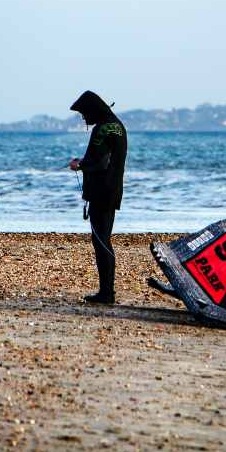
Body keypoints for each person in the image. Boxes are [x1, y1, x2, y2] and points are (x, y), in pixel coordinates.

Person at [69, 91, 128, 304]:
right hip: (113, 191)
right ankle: (107, 291)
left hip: (100, 192)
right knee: (104, 238)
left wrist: (79, 164)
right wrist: (86, 161)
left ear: (93, 110)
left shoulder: (101, 129)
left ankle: (107, 293)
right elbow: (106, 157)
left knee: (101, 241)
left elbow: (99, 163)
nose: (84, 118)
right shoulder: (117, 126)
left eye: (84, 114)